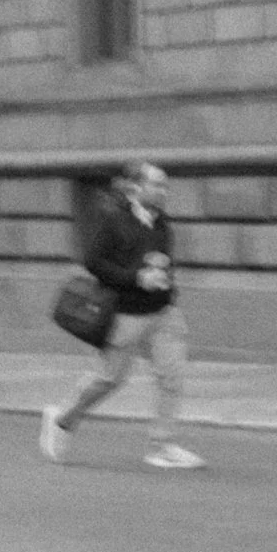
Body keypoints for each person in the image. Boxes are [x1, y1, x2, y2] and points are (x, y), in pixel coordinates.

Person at [41, 160, 203, 470]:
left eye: (165, 186)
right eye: (157, 185)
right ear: (135, 189)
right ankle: (62, 419)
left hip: (163, 313)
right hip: (127, 315)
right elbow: (94, 263)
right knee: (109, 379)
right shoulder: (114, 221)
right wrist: (136, 278)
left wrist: (165, 283)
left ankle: (162, 446)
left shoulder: (162, 224)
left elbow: (161, 262)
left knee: (171, 376)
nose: (163, 191)